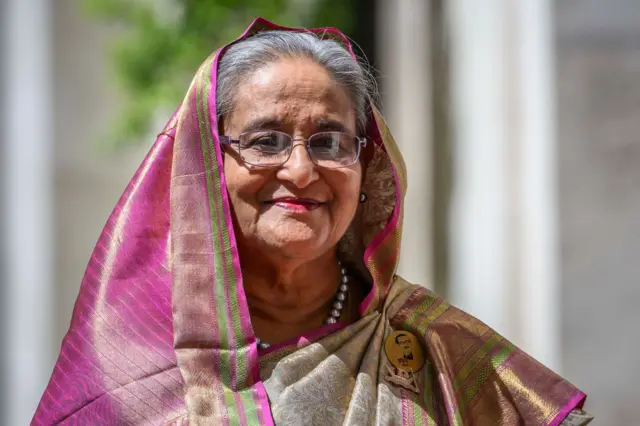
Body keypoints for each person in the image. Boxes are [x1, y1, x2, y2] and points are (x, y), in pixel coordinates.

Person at [32, 18, 592, 425]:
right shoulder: (132, 370)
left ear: (365, 163)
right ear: (206, 165)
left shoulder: (433, 346)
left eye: (329, 141)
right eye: (266, 141)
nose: (301, 170)